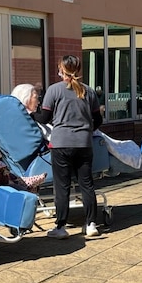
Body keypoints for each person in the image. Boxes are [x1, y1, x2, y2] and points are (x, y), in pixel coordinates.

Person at [37, 55, 103, 238]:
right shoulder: (88, 91)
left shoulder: (54, 90)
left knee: (62, 186)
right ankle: (91, 224)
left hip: (61, 144)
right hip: (84, 144)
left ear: (61, 69)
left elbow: (44, 118)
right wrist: (86, 131)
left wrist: (29, 114)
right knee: (87, 184)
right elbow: (98, 119)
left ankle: (60, 227)